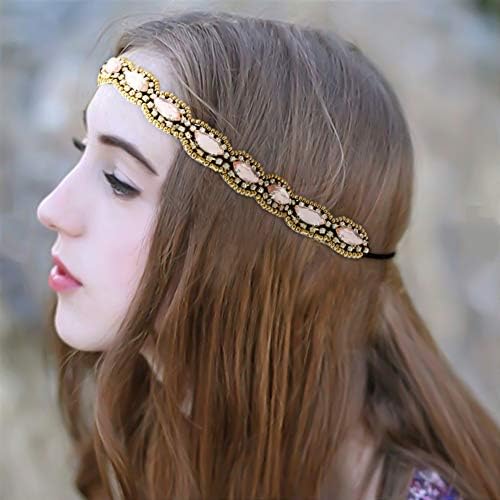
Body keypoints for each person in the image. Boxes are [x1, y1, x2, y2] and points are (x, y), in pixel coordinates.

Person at [36, 10, 500, 500]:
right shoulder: (168, 423)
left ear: (246, 248)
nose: (51, 209)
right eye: (82, 149)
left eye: (119, 181)